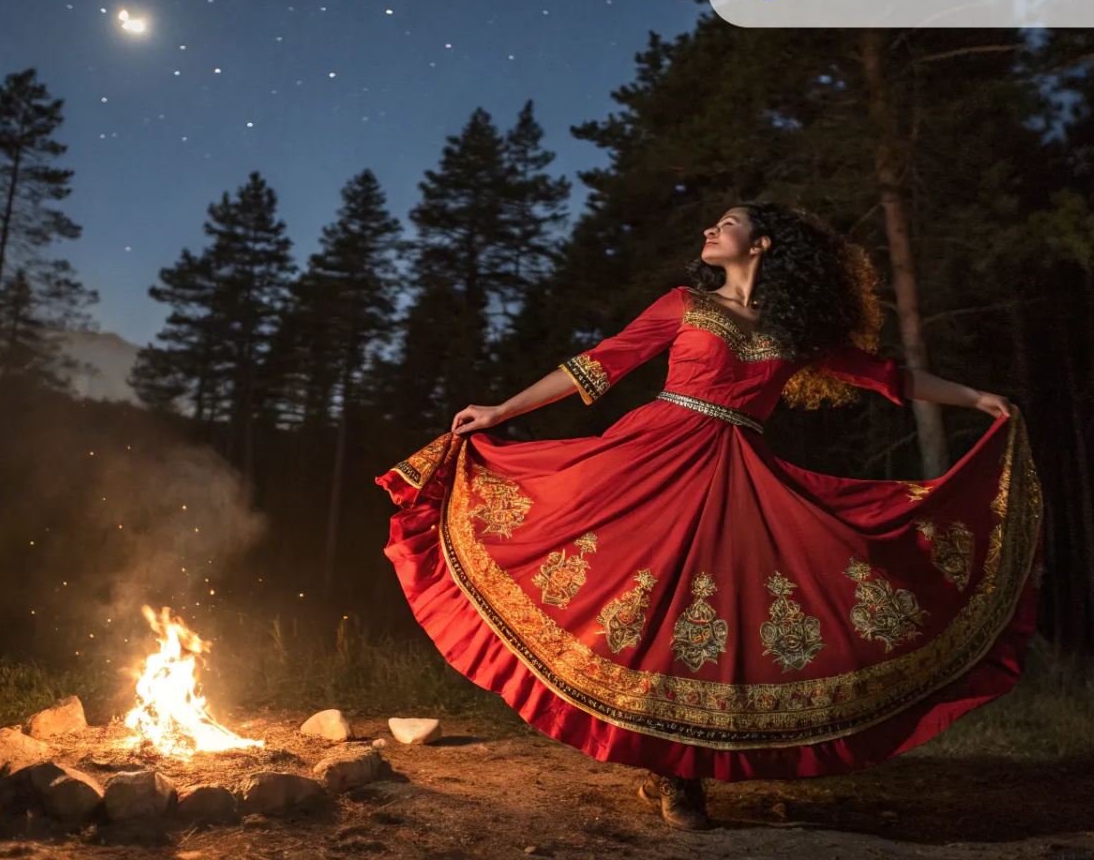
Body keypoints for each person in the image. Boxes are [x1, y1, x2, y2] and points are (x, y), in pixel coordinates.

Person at [375, 202, 1043, 832]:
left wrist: (976, 396)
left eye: (727, 224)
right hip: (650, 462)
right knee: (638, 605)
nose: (709, 231)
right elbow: (598, 364)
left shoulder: (793, 333)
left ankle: (683, 769)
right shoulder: (684, 305)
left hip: (736, 480)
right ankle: (664, 765)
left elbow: (886, 376)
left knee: (710, 620)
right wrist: (502, 411)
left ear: (761, 245)